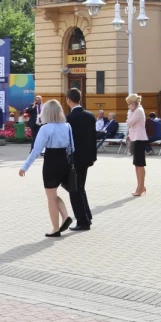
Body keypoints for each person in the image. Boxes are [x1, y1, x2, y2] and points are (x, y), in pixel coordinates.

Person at [18, 99, 75, 237]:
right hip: (64, 160)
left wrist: (25, 167)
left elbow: (36, 150)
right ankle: (66, 216)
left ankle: (55, 228)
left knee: (50, 196)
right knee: (53, 194)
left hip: (51, 161)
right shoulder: (67, 126)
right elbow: (72, 147)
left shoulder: (45, 128)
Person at [66, 89, 96, 230]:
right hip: (87, 158)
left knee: (75, 190)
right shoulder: (90, 115)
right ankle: (87, 216)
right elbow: (93, 138)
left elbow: (68, 141)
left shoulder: (70, 118)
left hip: (75, 159)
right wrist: (93, 157)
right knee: (81, 187)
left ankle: (82, 221)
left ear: (68, 100)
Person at [126, 94, 148, 196]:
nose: (128, 106)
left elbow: (130, 123)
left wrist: (130, 112)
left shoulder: (138, 110)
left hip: (140, 139)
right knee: (137, 164)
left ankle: (141, 187)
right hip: (136, 138)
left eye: (129, 104)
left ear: (134, 103)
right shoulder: (136, 110)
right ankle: (139, 186)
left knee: (140, 164)